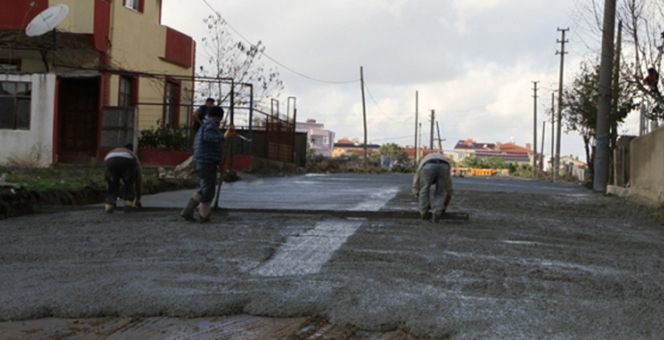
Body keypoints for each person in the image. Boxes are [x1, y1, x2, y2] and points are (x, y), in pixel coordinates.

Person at [181, 106, 234, 222]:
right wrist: (224, 136)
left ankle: (187, 211)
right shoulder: (211, 125)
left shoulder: (205, 125)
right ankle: (203, 215)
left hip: (202, 160)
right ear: (220, 117)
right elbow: (209, 137)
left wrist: (219, 160)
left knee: (203, 187)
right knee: (209, 189)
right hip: (206, 161)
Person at [412, 152, 453, 223]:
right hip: (445, 166)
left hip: (428, 165)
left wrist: (423, 203)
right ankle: (437, 213)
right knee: (441, 191)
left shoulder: (422, 163)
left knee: (424, 189)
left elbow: (416, 185)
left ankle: (424, 213)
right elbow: (449, 190)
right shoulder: (441, 158)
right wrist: (443, 207)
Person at [104, 144, 142, 213]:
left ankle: (109, 204)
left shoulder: (113, 151)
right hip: (127, 159)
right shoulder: (132, 154)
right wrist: (138, 199)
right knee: (128, 182)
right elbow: (138, 180)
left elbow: (107, 179)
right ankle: (128, 203)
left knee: (112, 183)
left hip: (109, 158)